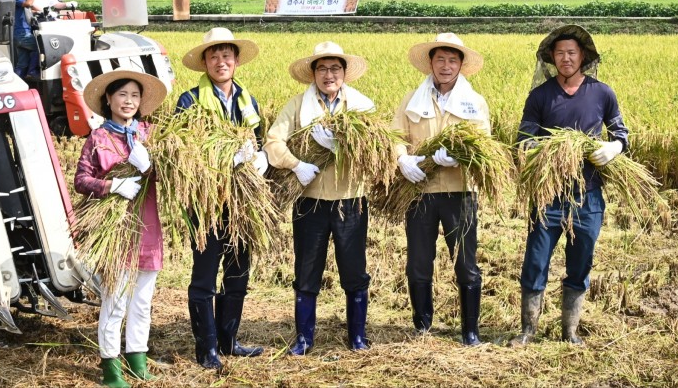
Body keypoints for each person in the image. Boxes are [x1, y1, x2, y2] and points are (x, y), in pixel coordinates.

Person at [513, 25, 629, 346]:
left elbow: (621, 133)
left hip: (588, 195)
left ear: (583, 57)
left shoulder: (602, 93)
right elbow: (524, 139)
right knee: (535, 260)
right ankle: (528, 330)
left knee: (581, 262)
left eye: (572, 53)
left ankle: (570, 331)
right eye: (560, 53)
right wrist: (541, 148)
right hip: (548, 194)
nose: (565, 58)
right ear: (552, 57)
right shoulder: (540, 95)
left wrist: (614, 147)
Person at [264, 41, 375, 355]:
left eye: (335, 68)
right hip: (309, 200)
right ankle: (304, 339)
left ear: (344, 74)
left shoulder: (361, 106)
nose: (329, 74)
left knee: (354, 269)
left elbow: (373, 151)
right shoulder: (297, 106)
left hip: (350, 199)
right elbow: (273, 142)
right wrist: (296, 165)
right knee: (307, 268)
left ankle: (356, 336)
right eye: (323, 68)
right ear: (313, 73)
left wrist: (340, 146)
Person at [174, 28, 269, 369]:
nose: (220, 62)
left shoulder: (248, 100)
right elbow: (180, 152)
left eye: (226, 55)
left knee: (238, 272)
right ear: (204, 62)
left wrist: (261, 158)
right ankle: (207, 348)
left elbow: (259, 140)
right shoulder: (189, 100)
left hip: (242, 203)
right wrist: (221, 159)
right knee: (204, 275)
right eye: (213, 56)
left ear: (236, 60)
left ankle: (229, 341)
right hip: (206, 202)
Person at [391, 33, 490, 345]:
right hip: (419, 192)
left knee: (465, 262)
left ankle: (470, 331)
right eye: (440, 59)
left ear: (461, 64)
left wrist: (459, 156)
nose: (446, 66)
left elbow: (483, 143)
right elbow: (395, 136)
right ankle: (422, 326)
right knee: (419, 262)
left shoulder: (474, 102)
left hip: (460, 192)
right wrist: (402, 159)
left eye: (452, 60)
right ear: (430, 63)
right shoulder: (411, 100)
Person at [74, 69, 168, 387]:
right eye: (122, 94)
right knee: (115, 300)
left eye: (135, 95)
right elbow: (81, 180)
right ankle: (112, 370)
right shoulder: (98, 138)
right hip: (114, 232)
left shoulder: (151, 134)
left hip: (148, 225)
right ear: (109, 99)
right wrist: (112, 185)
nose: (129, 101)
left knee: (142, 300)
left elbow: (173, 174)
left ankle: (138, 360)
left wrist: (150, 167)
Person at [9, 0, 40, 78]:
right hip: (22, 33)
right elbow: (28, 4)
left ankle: (18, 85)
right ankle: (32, 71)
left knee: (22, 64)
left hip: (19, 34)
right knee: (40, 46)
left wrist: (40, 10)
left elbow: (32, 6)